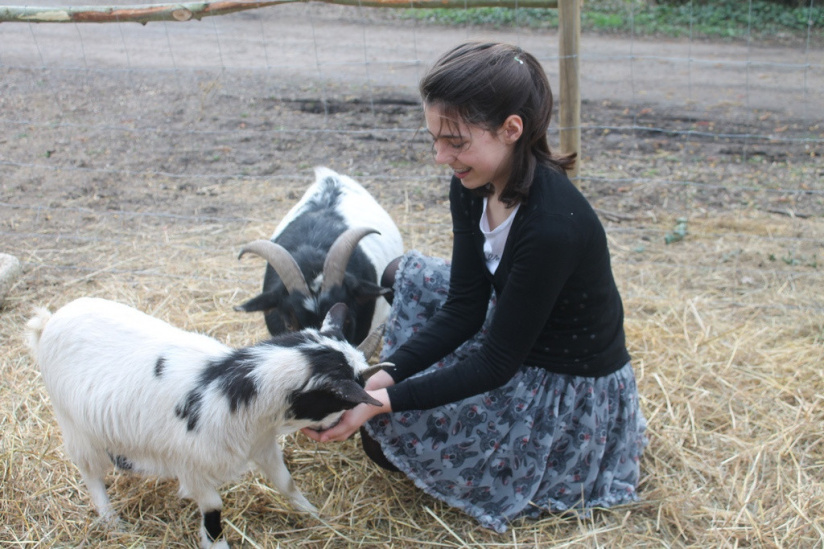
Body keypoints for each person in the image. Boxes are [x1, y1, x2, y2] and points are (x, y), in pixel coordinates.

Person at [302, 41, 647, 533]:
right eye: (435, 138)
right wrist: (385, 375)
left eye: (456, 141)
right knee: (401, 277)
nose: (442, 156)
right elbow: (465, 306)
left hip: (561, 375)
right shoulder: (473, 183)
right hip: (512, 321)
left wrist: (381, 402)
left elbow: (495, 363)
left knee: (384, 439)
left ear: (511, 129)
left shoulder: (552, 226)